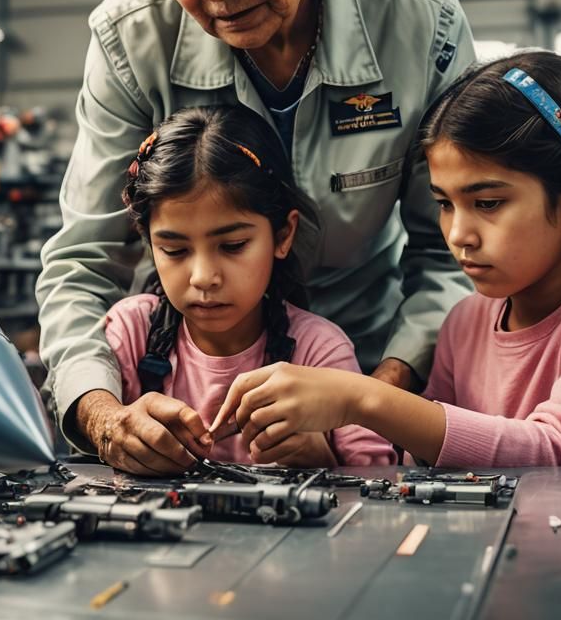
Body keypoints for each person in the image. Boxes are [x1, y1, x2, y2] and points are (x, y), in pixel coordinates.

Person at [36, 0, 475, 471]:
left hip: (375, 363)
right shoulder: (127, 39)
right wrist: (106, 417)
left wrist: (370, 401)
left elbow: (450, 255)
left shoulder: (419, 23)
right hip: (188, 393)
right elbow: (84, 260)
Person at [211, 50, 561, 467]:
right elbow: (425, 460)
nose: (459, 234)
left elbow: (557, 453)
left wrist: (362, 398)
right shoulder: (465, 322)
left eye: (487, 203)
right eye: (444, 203)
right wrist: (323, 453)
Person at [105, 105, 394, 471]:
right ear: (149, 242)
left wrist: (321, 458)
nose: (203, 277)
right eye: (175, 250)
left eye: (232, 246)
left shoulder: (319, 351)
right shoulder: (131, 333)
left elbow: (378, 481)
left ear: (283, 235)